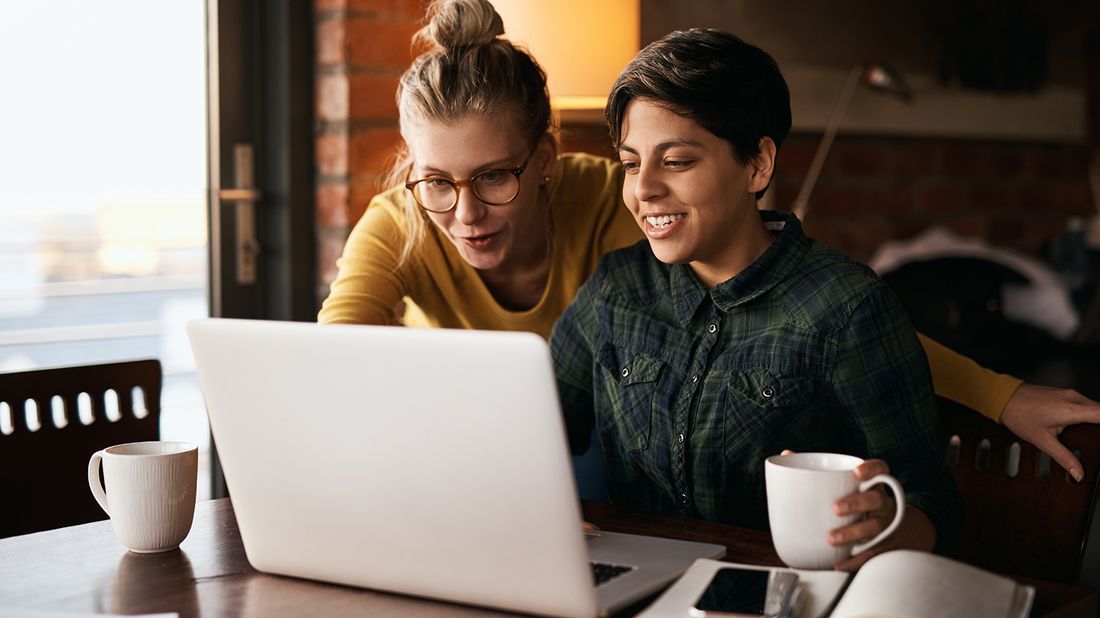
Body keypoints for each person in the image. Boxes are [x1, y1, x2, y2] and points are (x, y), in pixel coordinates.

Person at [317, 0, 1100, 483]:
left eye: (494, 177)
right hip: (478, 452)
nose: (465, 212)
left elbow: (821, 317)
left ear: (545, 161)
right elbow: (328, 373)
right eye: (437, 182)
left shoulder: (620, 198)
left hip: (595, 450)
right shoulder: (403, 220)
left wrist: (999, 393)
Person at [550, 27, 960, 570]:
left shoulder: (846, 306)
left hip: (782, 593)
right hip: (635, 588)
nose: (643, 187)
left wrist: (889, 522)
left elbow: (932, 499)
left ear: (757, 165)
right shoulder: (616, 289)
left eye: (675, 161)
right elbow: (539, 432)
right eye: (630, 163)